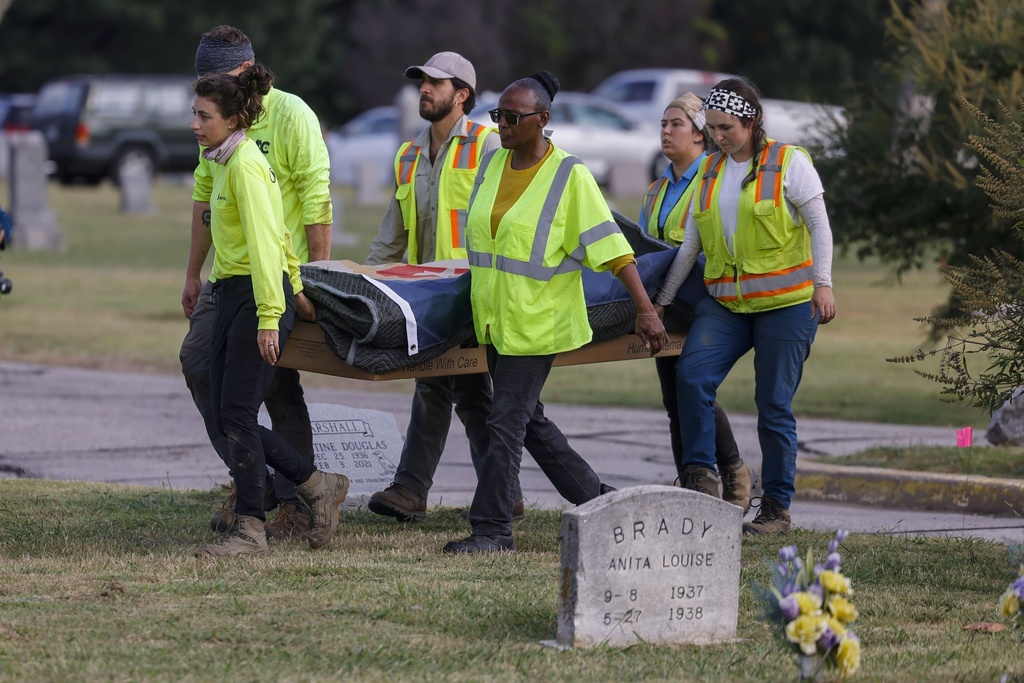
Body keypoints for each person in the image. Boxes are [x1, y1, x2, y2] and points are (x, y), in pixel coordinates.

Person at [442, 71, 669, 554]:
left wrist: (646, 311)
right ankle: (597, 501)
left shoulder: (570, 175)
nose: (501, 124)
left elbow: (612, 248)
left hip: (539, 324)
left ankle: (492, 530)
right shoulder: (491, 166)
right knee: (530, 422)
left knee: (505, 423)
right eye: (497, 115)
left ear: (542, 120)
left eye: (512, 117)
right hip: (496, 320)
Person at [653, 77, 836, 535]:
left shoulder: (788, 163)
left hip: (786, 305)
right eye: (712, 128)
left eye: (726, 127)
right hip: (728, 305)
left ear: (751, 122)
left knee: (773, 405)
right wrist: (662, 301)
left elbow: (820, 227)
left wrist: (824, 285)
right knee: (690, 377)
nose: (718, 137)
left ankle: (775, 509)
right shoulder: (711, 171)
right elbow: (691, 244)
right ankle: (701, 481)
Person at [188, 66, 349, 558]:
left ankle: (251, 530)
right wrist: (294, 287)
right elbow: (279, 233)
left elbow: (265, 247)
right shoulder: (221, 161)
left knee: (237, 414)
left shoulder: (245, 167)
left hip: (256, 299)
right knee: (228, 412)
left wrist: (270, 315)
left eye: (203, 116)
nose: (194, 124)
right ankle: (318, 485)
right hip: (233, 291)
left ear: (235, 118)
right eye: (193, 114)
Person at [364, 52, 529, 522]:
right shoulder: (408, 153)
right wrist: (365, 279)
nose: (424, 88)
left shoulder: (490, 146)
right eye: (421, 81)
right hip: (428, 295)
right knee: (464, 391)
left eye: (435, 83)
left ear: (462, 96)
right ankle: (500, 492)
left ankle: (414, 489)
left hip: (474, 290)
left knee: (443, 386)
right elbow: (393, 233)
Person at [639, 94, 751, 511]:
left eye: (676, 124)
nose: (666, 131)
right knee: (675, 398)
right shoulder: (655, 189)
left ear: (701, 136)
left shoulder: (717, 180)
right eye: (663, 124)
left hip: (704, 299)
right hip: (664, 304)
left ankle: (731, 472)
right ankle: (693, 481)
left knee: (692, 389)